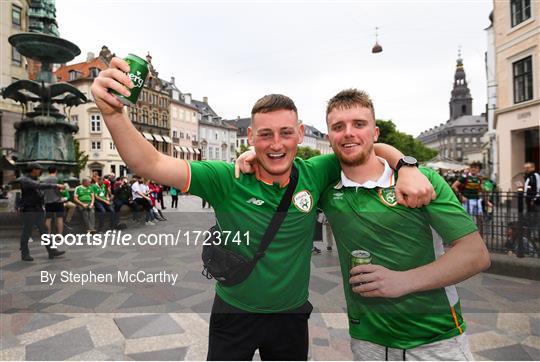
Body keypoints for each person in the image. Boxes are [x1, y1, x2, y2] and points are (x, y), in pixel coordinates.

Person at [91, 58, 434, 360]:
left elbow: (365, 148)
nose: (275, 144)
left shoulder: (316, 172)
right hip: (233, 312)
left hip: (290, 317)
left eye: (286, 133)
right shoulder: (227, 178)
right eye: (265, 135)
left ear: (300, 134)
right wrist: (113, 113)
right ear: (250, 137)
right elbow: (150, 162)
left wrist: (406, 166)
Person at [319, 89, 491, 360]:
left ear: (375, 133)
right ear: (329, 137)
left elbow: (475, 255)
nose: (348, 132)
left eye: (359, 124)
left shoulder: (422, 181)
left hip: (435, 338)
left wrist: (403, 281)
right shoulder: (326, 186)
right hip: (368, 341)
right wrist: (252, 157)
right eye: (338, 127)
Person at [18, 163, 66, 261]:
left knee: (43, 230)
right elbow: (38, 186)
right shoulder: (25, 179)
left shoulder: (34, 179)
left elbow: (39, 190)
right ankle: (24, 253)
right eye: (39, 170)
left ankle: (52, 250)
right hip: (29, 209)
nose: (40, 172)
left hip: (37, 208)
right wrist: (56, 185)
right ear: (34, 170)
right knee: (27, 231)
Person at [42, 166, 65, 236]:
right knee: (59, 218)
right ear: (56, 171)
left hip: (48, 201)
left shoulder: (44, 180)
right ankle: (59, 235)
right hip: (58, 201)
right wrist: (61, 195)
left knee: (48, 218)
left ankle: (48, 234)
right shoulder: (58, 179)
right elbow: (60, 190)